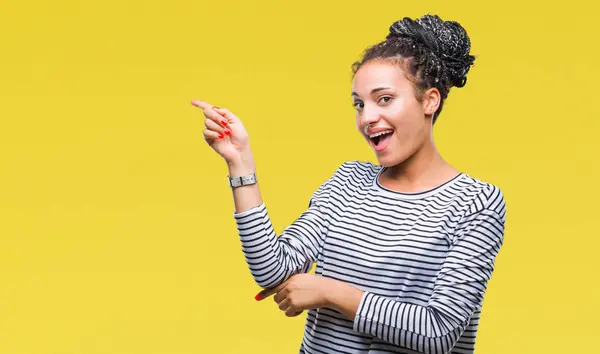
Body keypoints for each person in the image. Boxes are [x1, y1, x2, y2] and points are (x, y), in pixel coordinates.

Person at [192, 13, 506, 354]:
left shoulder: (475, 203)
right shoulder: (348, 182)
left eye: (384, 99)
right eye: (359, 104)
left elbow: (438, 331)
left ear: (430, 100)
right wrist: (240, 162)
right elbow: (274, 270)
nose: (367, 118)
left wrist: (329, 291)